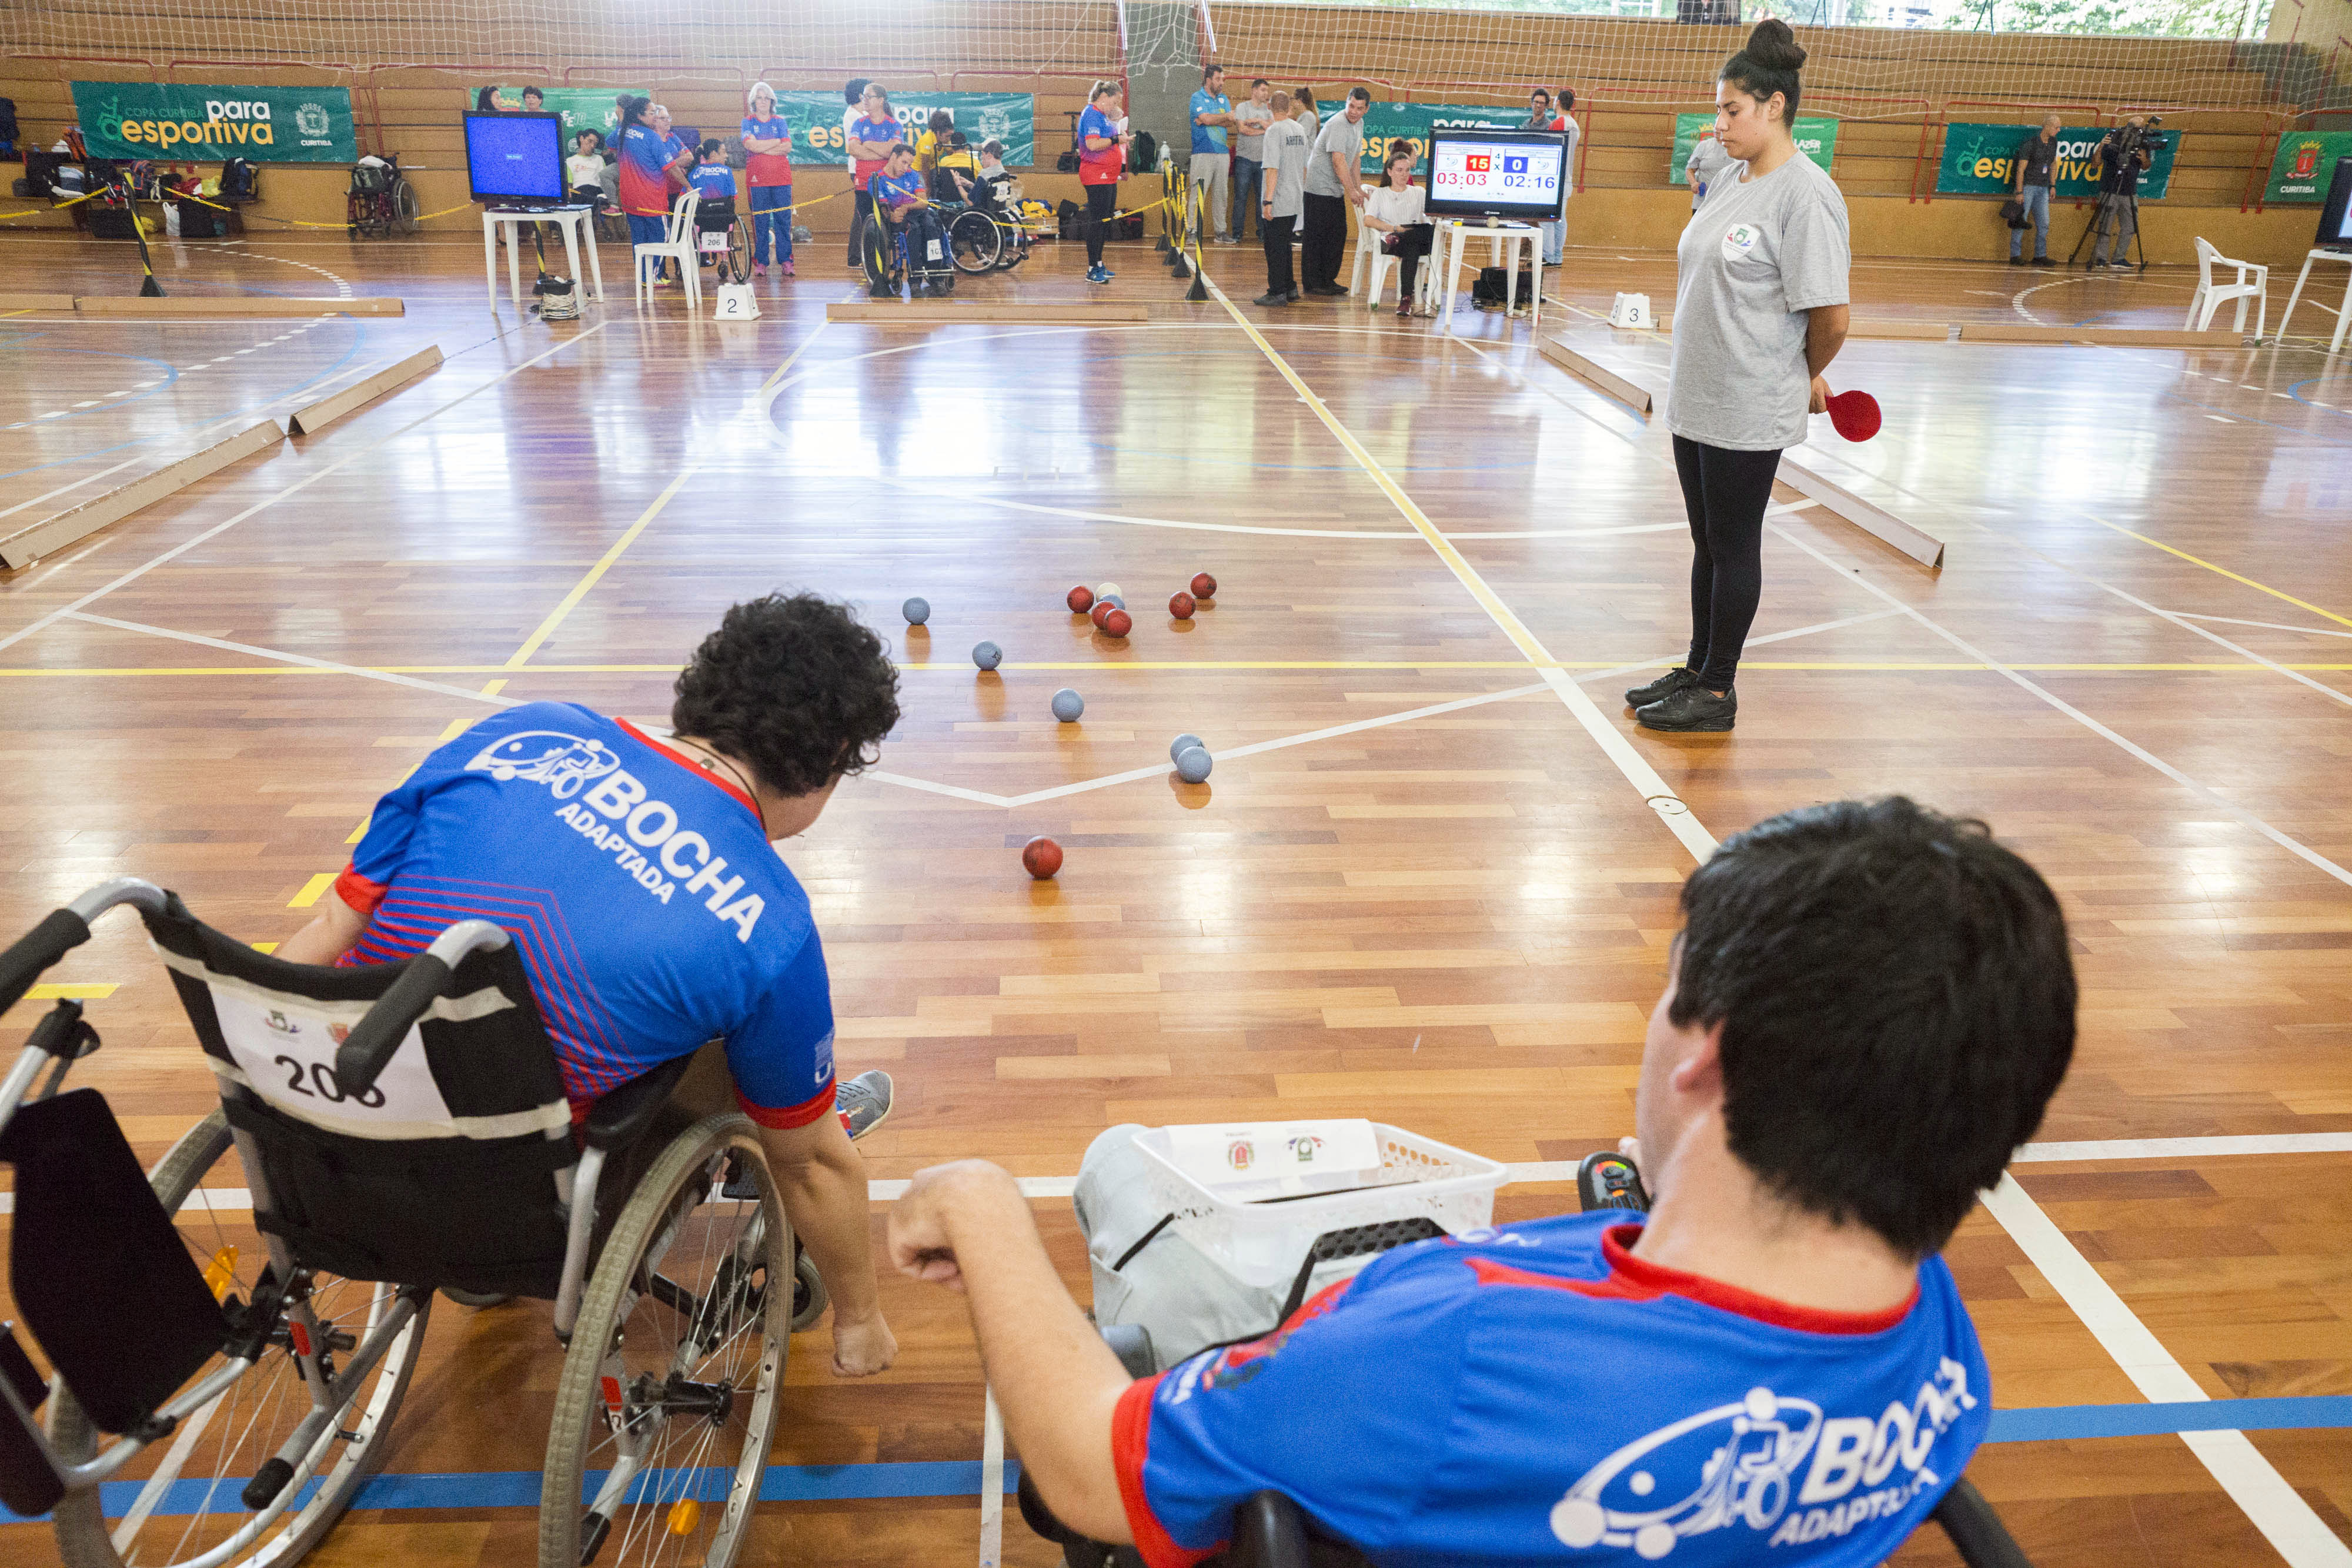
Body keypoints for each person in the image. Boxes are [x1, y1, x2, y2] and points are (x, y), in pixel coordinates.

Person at [886, 795, 2075, 1563]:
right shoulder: (1936, 1348)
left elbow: (1091, 1471)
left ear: (1705, 1057)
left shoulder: (1447, 1343)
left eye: (1669, 993)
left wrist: (985, 1206)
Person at [279, 593, 908, 1379]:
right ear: (833, 756)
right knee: (736, 1038)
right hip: (508, 1205)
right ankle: (796, 1101)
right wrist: (862, 1318)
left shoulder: (526, 729)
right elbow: (813, 1166)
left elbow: (323, 935)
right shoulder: (769, 918)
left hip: (326, 1128)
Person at [1638, 19, 1849, 735]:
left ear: (1776, 107)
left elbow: (1830, 316)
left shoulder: (1806, 195)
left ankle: (1718, 692)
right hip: (1697, 393)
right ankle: (1696, 667)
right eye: (1719, 108)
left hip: (1750, 400)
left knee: (1734, 545)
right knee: (1707, 544)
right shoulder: (1730, 176)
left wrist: (1803, 373)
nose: (1717, 122)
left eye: (1732, 110)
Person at [1300, 86, 1369, 297]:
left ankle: (1327, 280)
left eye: (1359, 108)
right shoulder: (1339, 124)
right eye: (1351, 106)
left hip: (1334, 189)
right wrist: (1351, 191)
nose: (1354, 112)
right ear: (1346, 103)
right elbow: (1338, 161)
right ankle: (1313, 283)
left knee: (1337, 234)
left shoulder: (1359, 124)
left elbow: (1354, 158)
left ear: (1366, 109)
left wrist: (1358, 187)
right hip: (1319, 188)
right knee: (1316, 237)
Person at [866, 141, 953, 299]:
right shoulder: (878, 180)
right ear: (893, 157)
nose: (906, 168)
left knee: (933, 228)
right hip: (900, 219)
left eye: (910, 164)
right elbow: (883, 208)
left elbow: (923, 202)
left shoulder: (912, 175)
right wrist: (891, 216)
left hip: (916, 212)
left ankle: (936, 277)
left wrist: (906, 207)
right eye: (904, 162)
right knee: (914, 231)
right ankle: (914, 282)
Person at [616, 96, 683, 287]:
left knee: (639, 241)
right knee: (660, 238)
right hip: (651, 201)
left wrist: (621, 119)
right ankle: (651, 277)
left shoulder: (623, 132)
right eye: (652, 113)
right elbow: (671, 166)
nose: (656, 117)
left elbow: (611, 141)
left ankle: (642, 277)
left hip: (630, 200)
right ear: (640, 115)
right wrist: (690, 185)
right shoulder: (651, 136)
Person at [1362, 143, 1432, 317]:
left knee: (1417, 236)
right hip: (1391, 238)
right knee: (1412, 245)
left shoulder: (1418, 192)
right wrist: (1394, 228)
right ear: (1390, 172)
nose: (1404, 174)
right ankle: (1406, 299)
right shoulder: (1380, 193)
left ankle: (1406, 299)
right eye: (1399, 170)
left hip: (1412, 235)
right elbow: (1368, 219)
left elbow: (1430, 216)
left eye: (1407, 170)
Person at [1253, 89, 1309, 307]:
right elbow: (1304, 166)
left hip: (1279, 198)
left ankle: (1277, 291)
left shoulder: (1274, 131)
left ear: (1269, 107)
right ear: (1289, 108)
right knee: (1284, 244)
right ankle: (1290, 287)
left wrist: (1268, 201)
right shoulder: (1299, 129)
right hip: (1295, 196)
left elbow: (1272, 168)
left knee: (1274, 247)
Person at [741, 81, 796, 278]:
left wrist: (761, 145)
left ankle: (786, 261)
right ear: (753, 101)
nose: (763, 101)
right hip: (757, 181)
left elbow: (787, 147)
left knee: (784, 221)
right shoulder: (748, 122)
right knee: (760, 222)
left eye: (767, 98)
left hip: (781, 179)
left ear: (772, 101)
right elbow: (750, 146)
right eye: (759, 97)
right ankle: (761, 262)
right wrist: (775, 143)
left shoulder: (779, 122)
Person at [1077, 80, 1129, 287]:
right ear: (1104, 97)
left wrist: (1115, 114)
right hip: (1096, 175)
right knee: (1097, 222)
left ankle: (1099, 263)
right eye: (1114, 101)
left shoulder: (1101, 116)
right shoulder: (1091, 114)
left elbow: (1115, 116)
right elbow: (1092, 144)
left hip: (1108, 175)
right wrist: (1117, 140)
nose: (1116, 106)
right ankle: (1091, 269)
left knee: (1104, 221)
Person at [846, 82, 898, 270]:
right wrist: (880, 151)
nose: (864, 100)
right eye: (863, 96)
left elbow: (893, 151)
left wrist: (867, 144)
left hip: (886, 183)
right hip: (863, 183)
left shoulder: (893, 125)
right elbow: (853, 149)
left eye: (869, 96)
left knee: (886, 221)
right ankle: (871, 266)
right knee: (867, 224)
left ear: (881, 100)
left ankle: (886, 260)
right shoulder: (859, 123)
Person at [2090, 115, 2152, 270]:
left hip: (2130, 191)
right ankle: (2100, 258)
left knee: (2130, 225)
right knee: (2105, 224)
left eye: (2142, 128)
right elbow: (2095, 165)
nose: (2140, 131)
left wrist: (2144, 158)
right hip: (2110, 189)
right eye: (2138, 127)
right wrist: (2100, 147)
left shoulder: (2142, 143)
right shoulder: (2114, 138)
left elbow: (2146, 166)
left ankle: (2119, 258)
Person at [1189, 65, 1234, 244]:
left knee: (1221, 194)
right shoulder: (1197, 97)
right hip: (1203, 152)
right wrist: (1220, 118)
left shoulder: (1223, 99)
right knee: (1198, 192)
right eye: (1218, 79)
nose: (1222, 83)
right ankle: (1191, 229)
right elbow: (1210, 119)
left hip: (1223, 153)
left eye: (1223, 79)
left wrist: (1209, 120)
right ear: (1208, 80)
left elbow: (1230, 122)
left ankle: (1220, 232)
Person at [2007, 114, 2059, 268]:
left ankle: (2040, 255)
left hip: (2043, 188)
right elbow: (2021, 169)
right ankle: (2015, 255)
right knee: (2020, 221)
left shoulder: (2053, 143)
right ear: (2047, 127)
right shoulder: (2030, 144)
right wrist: (2019, 192)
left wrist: (2053, 185)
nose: (2059, 130)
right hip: (2028, 187)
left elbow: (2053, 164)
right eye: (2056, 127)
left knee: (2044, 223)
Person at [1230, 79, 1275, 242]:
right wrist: (1263, 130)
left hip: (1263, 161)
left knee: (1261, 198)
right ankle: (1237, 234)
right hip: (1244, 160)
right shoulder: (1243, 107)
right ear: (1254, 91)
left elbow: (1273, 128)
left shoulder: (1268, 111)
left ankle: (1262, 233)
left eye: (1267, 91)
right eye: (1263, 90)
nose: (1266, 94)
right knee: (1240, 197)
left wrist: (1259, 122)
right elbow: (1243, 129)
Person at [689, 138, 736, 275]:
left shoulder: (696, 172)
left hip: (701, 220)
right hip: (724, 219)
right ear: (713, 154)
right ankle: (724, 260)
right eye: (723, 152)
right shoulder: (727, 171)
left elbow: (685, 196)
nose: (726, 156)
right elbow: (734, 196)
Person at [1685, 127, 1734, 210]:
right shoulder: (1704, 145)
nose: (1717, 130)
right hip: (1702, 203)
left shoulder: (1737, 148)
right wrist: (1693, 183)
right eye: (1716, 127)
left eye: (1721, 128)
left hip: (1727, 204)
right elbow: (1690, 170)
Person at [566, 129, 607, 209]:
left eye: (595, 144)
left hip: (596, 191)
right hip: (579, 192)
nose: (592, 146)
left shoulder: (599, 159)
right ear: (582, 139)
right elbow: (569, 185)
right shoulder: (570, 161)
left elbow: (605, 180)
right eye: (590, 141)